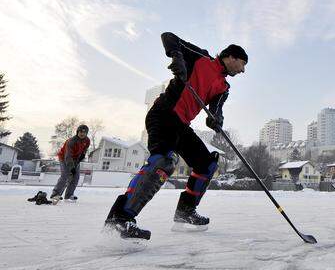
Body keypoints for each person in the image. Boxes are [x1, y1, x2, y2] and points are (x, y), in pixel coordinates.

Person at [104, 32, 248, 240]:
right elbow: (169, 37)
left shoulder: (224, 88)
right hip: (164, 114)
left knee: (207, 165)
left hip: (182, 125)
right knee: (163, 161)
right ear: (232, 57)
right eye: (242, 64)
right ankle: (120, 217)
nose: (243, 70)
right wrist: (177, 57)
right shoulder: (201, 58)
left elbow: (217, 110)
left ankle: (185, 212)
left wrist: (216, 120)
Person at [51, 124, 90, 204]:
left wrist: (83, 154)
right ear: (77, 132)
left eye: (84, 132)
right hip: (64, 158)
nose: (82, 133)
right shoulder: (71, 141)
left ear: (86, 133)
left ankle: (69, 195)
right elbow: (68, 156)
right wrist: (72, 168)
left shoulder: (87, 140)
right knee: (65, 175)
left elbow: (85, 149)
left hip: (76, 159)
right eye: (80, 132)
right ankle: (55, 194)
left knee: (76, 177)